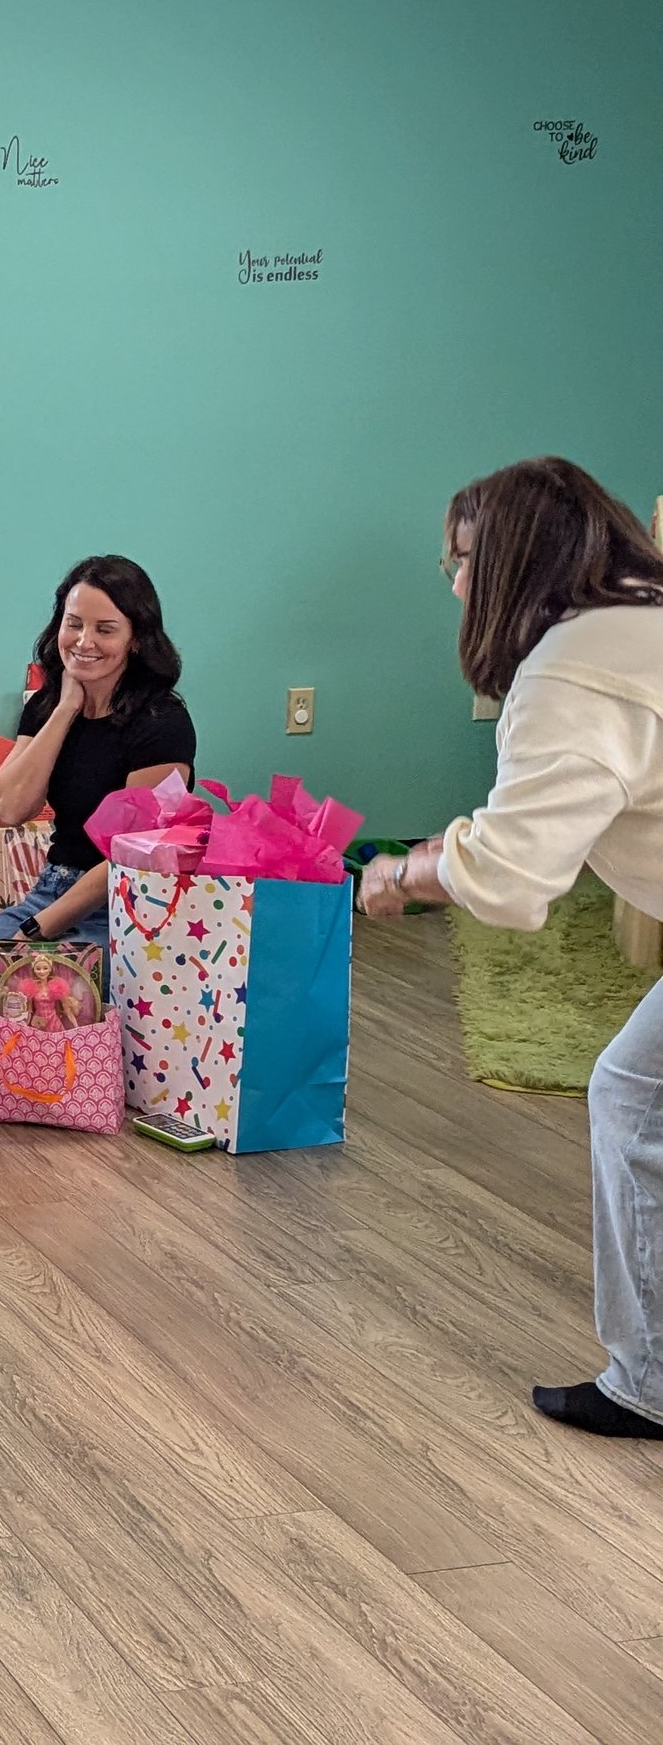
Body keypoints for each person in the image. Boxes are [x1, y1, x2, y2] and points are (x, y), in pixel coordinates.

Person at [359, 457, 663, 1440]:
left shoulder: (572, 668)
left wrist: (404, 871)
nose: (451, 584)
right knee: (633, 1088)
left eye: (458, 562)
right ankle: (648, 1379)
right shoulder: (641, 619)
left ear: (503, 566)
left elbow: (509, 876)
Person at [0, 556, 195, 1047]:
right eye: (74, 624)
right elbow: (9, 808)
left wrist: (31, 935)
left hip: (121, 911)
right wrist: (68, 707)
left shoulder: (164, 725)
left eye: (105, 629)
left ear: (136, 638)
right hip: (49, 890)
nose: (84, 641)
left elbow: (129, 857)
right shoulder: (49, 704)